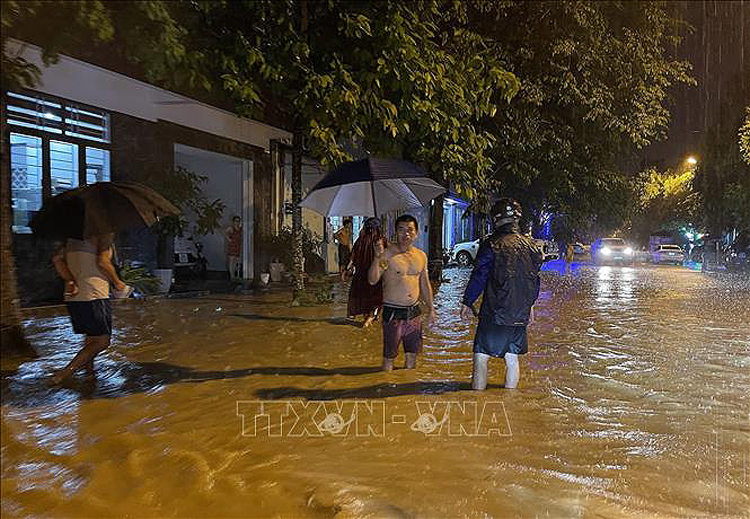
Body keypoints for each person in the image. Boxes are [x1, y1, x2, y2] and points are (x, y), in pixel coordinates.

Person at [460, 198, 543, 390]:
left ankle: (477, 400)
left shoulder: (491, 244)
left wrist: (467, 301)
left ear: (496, 219)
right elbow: (534, 281)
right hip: (519, 314)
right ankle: (510, 402)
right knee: (512, 358)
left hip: (495, 313)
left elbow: (480, 276)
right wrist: (530, 306)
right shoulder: (531, 247)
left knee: (481, 356)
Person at [51, 233, 129, 383]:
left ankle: (89, 372)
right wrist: (118, 283)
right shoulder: (102, 236)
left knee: (91, 337)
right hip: (94, 294)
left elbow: (57, 261)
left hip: (73, 296)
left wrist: (70, 279)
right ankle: (64, 374)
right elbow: (103, 262)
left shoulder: (69, 239)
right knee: (102, 341)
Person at [368, 214, 434, 371]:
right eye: (401, 229)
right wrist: (377, 257)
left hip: (414, 312)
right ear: (395, 232)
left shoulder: (421, 256)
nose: (406, 234)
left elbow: (424, 284)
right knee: (389, 358)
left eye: (410, 230)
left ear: (416, 233)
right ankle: (385, 388)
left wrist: (431, 308)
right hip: (393, 313)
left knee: (412, 356)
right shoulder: (387, 255)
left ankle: (404, 394)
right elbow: (372, 279)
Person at [343, 217, 385, 327]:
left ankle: (368, 318)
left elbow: (352, 258)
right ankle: (371, 318)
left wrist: (347, 270)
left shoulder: (360, 240)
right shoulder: (381, 240)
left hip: (360, 276)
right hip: (376, 275)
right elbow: (388, 258)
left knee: (364, 298)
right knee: (377, 299)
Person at [225, 216, 242, 281]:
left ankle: (236, 275)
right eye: (236, 221)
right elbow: (225, 232)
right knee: (232, 261)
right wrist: (229, 239)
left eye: (238, 221)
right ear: (233, 222)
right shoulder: (231, 228)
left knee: (237, 262)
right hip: (232, 246)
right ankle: (232, 276)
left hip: (238, 246)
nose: (237, 223)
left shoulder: (240, 229)